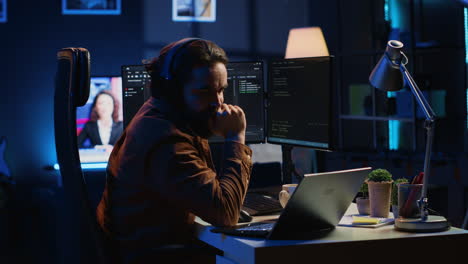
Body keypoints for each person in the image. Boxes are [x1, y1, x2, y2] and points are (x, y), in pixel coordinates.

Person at [96, 38, 252, 263]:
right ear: (173, 91)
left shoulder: (162, 114)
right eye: (204, 91)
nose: (218, 103)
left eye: (221, 90)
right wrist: (235, 136)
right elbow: (226, 213)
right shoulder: (165, 140)